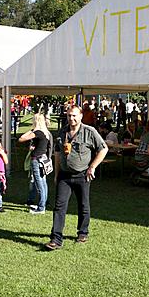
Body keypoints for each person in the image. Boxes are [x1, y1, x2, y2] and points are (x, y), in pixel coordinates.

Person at [46, 105, 108, 251]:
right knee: (59, 207)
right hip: (64, 176)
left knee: (83, 205)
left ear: (81, 116)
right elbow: (57, 153)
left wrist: (92, 166)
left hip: (82, 175)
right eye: (69, 116)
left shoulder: (89, 131)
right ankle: (56, 239)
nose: (71, 118)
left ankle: (82, 233)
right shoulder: (62, 132)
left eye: (74, 115)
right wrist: (56, 174)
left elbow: (103, 148)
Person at [19, 113, 52, 215]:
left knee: (39, 183)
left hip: (37, 160)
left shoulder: (37, 132)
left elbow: (21, 138)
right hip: (43, 159)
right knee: (43, 182)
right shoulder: (46, 133)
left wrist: (31, 129)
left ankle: (41, 208)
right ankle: (43, 204)